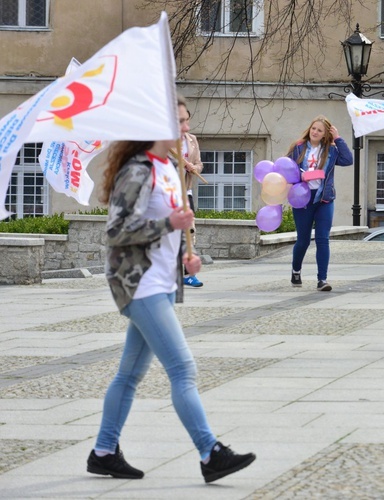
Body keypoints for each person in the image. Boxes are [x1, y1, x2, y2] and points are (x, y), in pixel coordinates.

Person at [87, 139, 255, 483]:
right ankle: (210, 453)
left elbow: (167, 228)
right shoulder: (137, 169)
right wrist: (171, 224)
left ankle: (103, 451)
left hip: (162, 281)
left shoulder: (168, 168)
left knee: (129, 374)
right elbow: (117, 230)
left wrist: (184, 260)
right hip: (139, 283)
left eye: (184, 123)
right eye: (176, 122)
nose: (184, 130)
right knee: (182, 368)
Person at [287, 115, 353, 292]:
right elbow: (285, 169)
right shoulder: (298, 147)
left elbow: (348, 160)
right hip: (303, 198)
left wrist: (338, 138)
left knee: (323, 239)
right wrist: (299, 176)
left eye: (319, 130)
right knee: (303, 240)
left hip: (324, 198)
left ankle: (322, 279)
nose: (315, 132)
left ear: (325, 135)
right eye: (313, 128)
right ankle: (296, 271)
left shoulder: (330, 150)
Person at [176, 96, 204, 287]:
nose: (186, 126)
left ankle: (188, 274)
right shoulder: (164, 143)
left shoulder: (192, 140)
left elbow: (200, 163)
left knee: (189, 230)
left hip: (187, 190)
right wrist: (180, 164)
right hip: (171, 192)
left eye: (187, 120)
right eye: (181, 121)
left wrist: (194, 167)